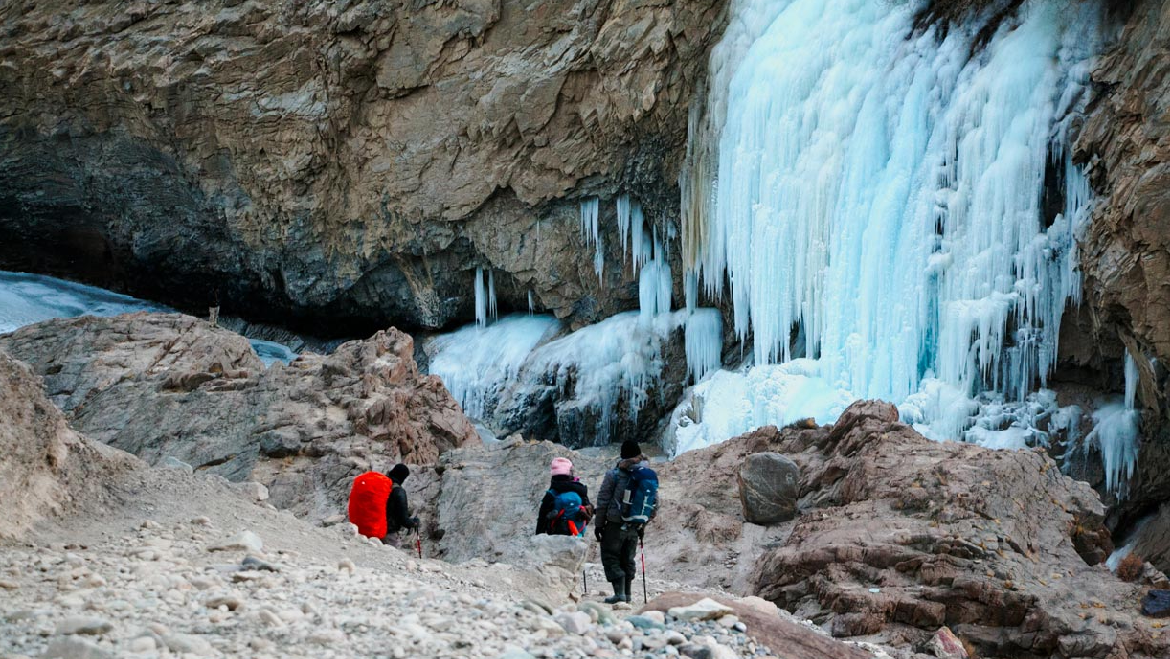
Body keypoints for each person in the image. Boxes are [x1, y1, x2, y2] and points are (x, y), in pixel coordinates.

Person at [594, 440, 656, 604]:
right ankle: (628, 595)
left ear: (622, 456)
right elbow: (654, 503)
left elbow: (603, 501)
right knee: (628, 558)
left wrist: (599, 524)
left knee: (611, 556)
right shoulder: (647, 475)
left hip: (615, 524)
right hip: (635, 525)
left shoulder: (614, 475)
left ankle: (619, 594)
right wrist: (643, 524)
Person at [536, 457, 593, 536]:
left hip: (556, 534)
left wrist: (538, 535)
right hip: (577, 532)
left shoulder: (552, 493)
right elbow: (588, 510)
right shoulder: (580, 489)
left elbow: (542, 518)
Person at [382, 463, 419, 548]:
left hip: (372, 528)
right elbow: (403, 519)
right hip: (388, 532)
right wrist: (414, 523)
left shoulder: (381, 485)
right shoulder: (398, 491)